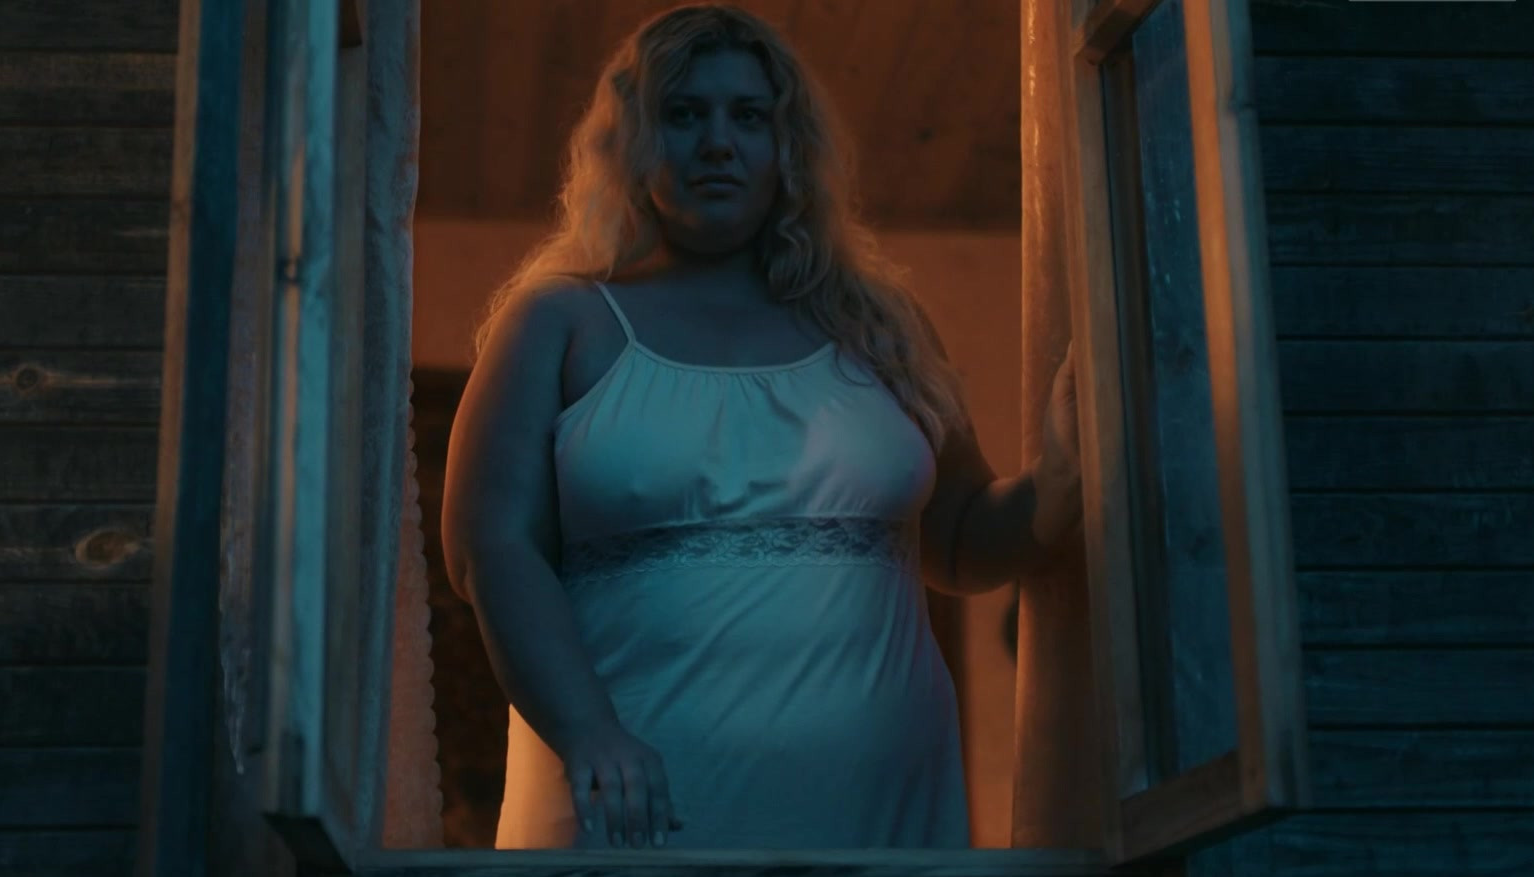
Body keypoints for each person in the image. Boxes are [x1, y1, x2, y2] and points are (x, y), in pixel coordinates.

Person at [439, 2, 1081, 852]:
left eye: (748, 116)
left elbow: (959, 541)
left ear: (789, 145)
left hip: (874, 811)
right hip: (627, 810)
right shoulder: (558, 322)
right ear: (632, 141)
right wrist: (587, 729)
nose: (717, 142)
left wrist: (1060, 480)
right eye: (683, 114)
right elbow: (489, 547)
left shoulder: (881, 325)